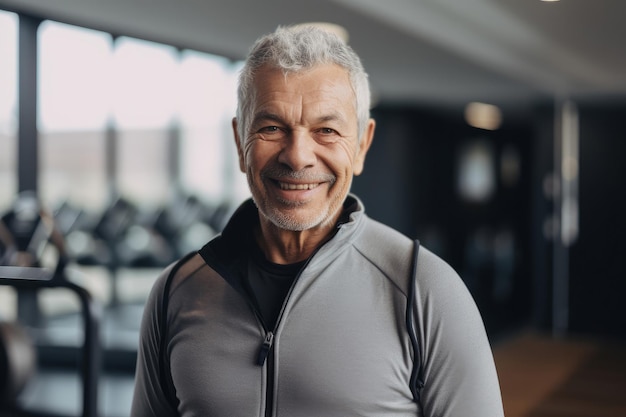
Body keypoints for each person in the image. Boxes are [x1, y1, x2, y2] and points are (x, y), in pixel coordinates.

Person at [131, 24, 504, 417]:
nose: (297, 156)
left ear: (361, 144)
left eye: (326, 130)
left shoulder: (425, 290)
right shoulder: (176, 292)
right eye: (272, 127)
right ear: (241, 141)